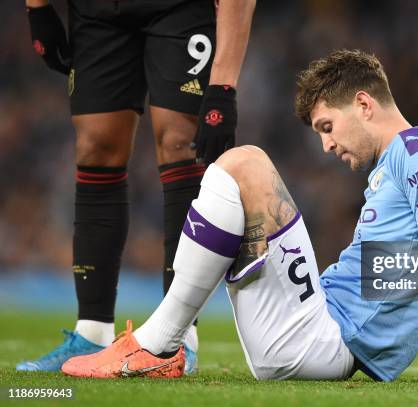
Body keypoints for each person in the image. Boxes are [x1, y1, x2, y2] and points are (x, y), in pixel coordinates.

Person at [61, 50, 418, 386]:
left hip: (326, 339)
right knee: (239, 172)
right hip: (317, 332)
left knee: (244, 164)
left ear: (364, 103)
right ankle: (163, 342)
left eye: (327, 126)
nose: (327, 144)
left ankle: (159, 344)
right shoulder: (412, 161)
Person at [17, 0, 255, 374]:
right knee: (96, 144)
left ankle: (176, 339)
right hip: (98, 11)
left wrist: (224, 85)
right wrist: (38, 7)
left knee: (181, 141)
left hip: (179, 9)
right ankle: (91, 332)